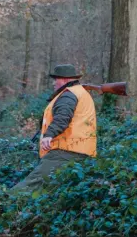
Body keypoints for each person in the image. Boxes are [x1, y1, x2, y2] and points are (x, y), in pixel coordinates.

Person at [11, 64, 97, 192]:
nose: (53, 83)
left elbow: (63, 117)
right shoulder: (80, 93)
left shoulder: (69, 95)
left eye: (56, 79)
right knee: (53, 189)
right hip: (80, 150)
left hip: (65, 151)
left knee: (32, 184)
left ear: (64, 79)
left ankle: (1, 203)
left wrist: (49, 134)